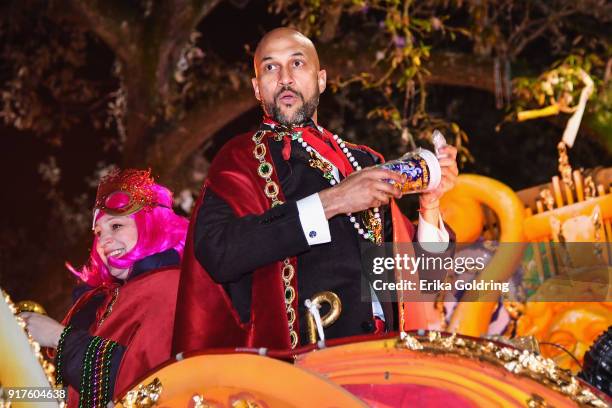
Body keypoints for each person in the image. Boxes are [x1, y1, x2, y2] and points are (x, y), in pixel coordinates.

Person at [173, 27, 458, 352]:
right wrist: (331, 202)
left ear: (321, 79)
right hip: (303, 372)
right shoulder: (240, 159)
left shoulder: (365, 160)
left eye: (297, 64)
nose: (284, 78)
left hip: (386, 362)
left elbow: (428, 280)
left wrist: (430, 204)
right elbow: (217, 252)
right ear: (256, 88)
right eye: (270, 67)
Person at [20, 169, 188, 407]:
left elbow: (146, 387)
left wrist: (58, 337)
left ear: (152, 225)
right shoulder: (105, 300)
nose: (103, 241)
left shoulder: (169, 286)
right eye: (98, 233)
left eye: (116, 226)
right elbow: (71, 398)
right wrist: (14, 393)